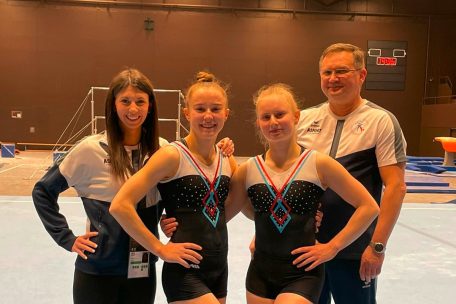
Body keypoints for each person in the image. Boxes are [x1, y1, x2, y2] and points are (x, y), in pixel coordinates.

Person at [32, 67, 234, 304]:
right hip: (98, 271)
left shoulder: (161, 149)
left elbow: (170, 198)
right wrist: (66, 237)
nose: (133, 109)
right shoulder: (89, 150)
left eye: (140, 101)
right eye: (125, 101)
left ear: (150, 106)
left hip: (142, 270)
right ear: (113, 104)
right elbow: (43, 191)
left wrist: (166, 219)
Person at [223, 83, 379, 304]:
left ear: (296, 117)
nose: (273, 122)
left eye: (280, 114)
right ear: (258, 123)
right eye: (265, 117)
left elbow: (369, 206)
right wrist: (174, 222)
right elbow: (224, 214)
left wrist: (332, 247)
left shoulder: (318, 163)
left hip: (302, 273)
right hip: (260, 273)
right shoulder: (249, 169)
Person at [110, 71, 238, 304]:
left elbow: (240, 203)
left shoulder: (227, 159)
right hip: (185, 270)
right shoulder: (171, 155)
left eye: (216, 109)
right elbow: (120, 205)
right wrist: (159, 248)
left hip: (219, 270)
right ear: (187, 113)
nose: (208, 116)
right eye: (200, 109)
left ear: (226, 114)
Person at [296, 43, 407, 304]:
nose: (333, 79)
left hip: (355, 250)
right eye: (327, 72)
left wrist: (377, 247)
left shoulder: (380, 121)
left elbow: (395, 188)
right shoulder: (303, 119)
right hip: (307, 246)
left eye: (342, 71)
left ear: (362, 75)